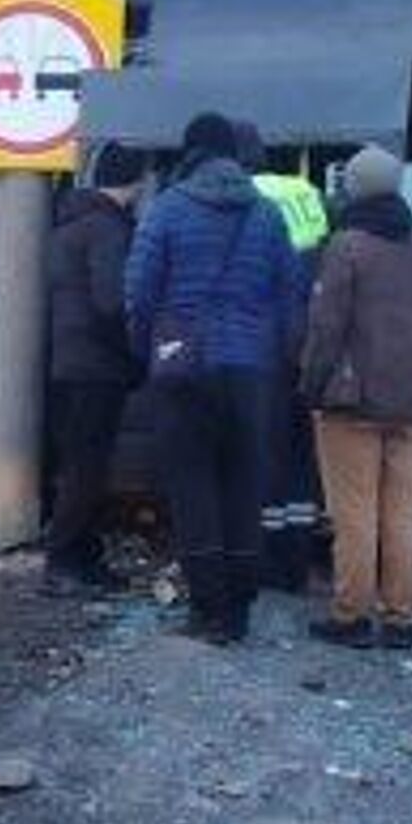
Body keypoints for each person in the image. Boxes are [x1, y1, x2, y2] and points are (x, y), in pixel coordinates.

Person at [126, 112, 299, 645]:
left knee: (192, 484)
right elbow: (291, 297)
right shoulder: (268, 216)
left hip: (184, 368)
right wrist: (273, 359)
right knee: (243, 486)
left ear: (191, 153)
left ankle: (208, 612)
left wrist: (147, 355)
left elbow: (138, 295)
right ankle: (241, 610)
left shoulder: (166, 210)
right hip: (250, 372)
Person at [301, 143, 412, 651]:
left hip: (353, 403)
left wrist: (311, 386)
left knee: (355, 515)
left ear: (354, 188)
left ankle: (351, 615)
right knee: (402, 514)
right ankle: (401, 618)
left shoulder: (347, 247)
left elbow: (326, 329)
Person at [43, 141, 147, 594]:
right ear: (136, 182)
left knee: (81, 466)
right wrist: (132, 355)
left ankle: (83, 560)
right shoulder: (108, 229)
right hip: (96, 367)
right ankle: (64, 563)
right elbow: (111, 304)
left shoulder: (71, 224)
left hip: (68, 362)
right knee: (87, 469)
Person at [233, 120, 328, 594]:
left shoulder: (243, 197)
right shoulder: (305, 192)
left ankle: (265, 562)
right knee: (299, 459)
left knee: (262, 458)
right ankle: (298, 560)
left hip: (261, 346)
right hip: (305, 343)